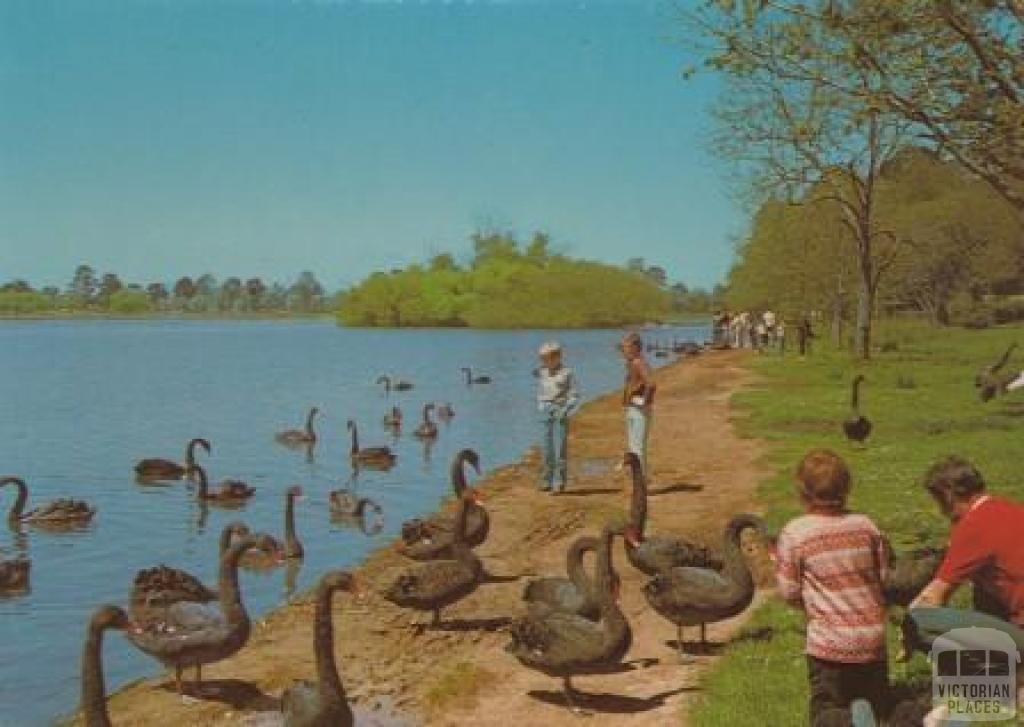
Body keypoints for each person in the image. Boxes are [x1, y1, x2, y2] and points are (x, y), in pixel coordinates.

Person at [775, 449, 890, 726]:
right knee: (878, 707)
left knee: (828, 709)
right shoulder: (867, 527)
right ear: (847, 487)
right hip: (872, 639)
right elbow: (883, 576)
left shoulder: (796, 533)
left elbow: (788, 591)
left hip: (829, 646)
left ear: (801, 491)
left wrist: (807, 603)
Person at [911, 456, 1024, 625]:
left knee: (923, 624)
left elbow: (932, 597)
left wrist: (908, 628)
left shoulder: (974, 525)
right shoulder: (1010, 510)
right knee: (982, 587)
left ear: (947, 497)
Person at [535, 341, 579, 493]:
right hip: (545, 410)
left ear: (557, 357)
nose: (544, 361)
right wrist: (540, 405)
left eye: (547, 358)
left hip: (561, 409)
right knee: (546, 447)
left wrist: (566, 409)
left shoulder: (567, 372)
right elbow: (540, 390)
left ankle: (560, 482)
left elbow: (574, 394)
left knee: (561, 447)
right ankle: (546, 480)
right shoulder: (542, 371)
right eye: (542, 358)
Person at [619, 332, 655, 482]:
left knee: (638, 447)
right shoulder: (632, 363)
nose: (623, 352)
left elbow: (651, 384)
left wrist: (643, 401)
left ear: (635, 348)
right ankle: (639, 479)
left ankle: (641, 480)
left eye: (626, 348)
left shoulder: (638, 363)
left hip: (639, 409)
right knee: (634, 446)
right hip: (633, 409)